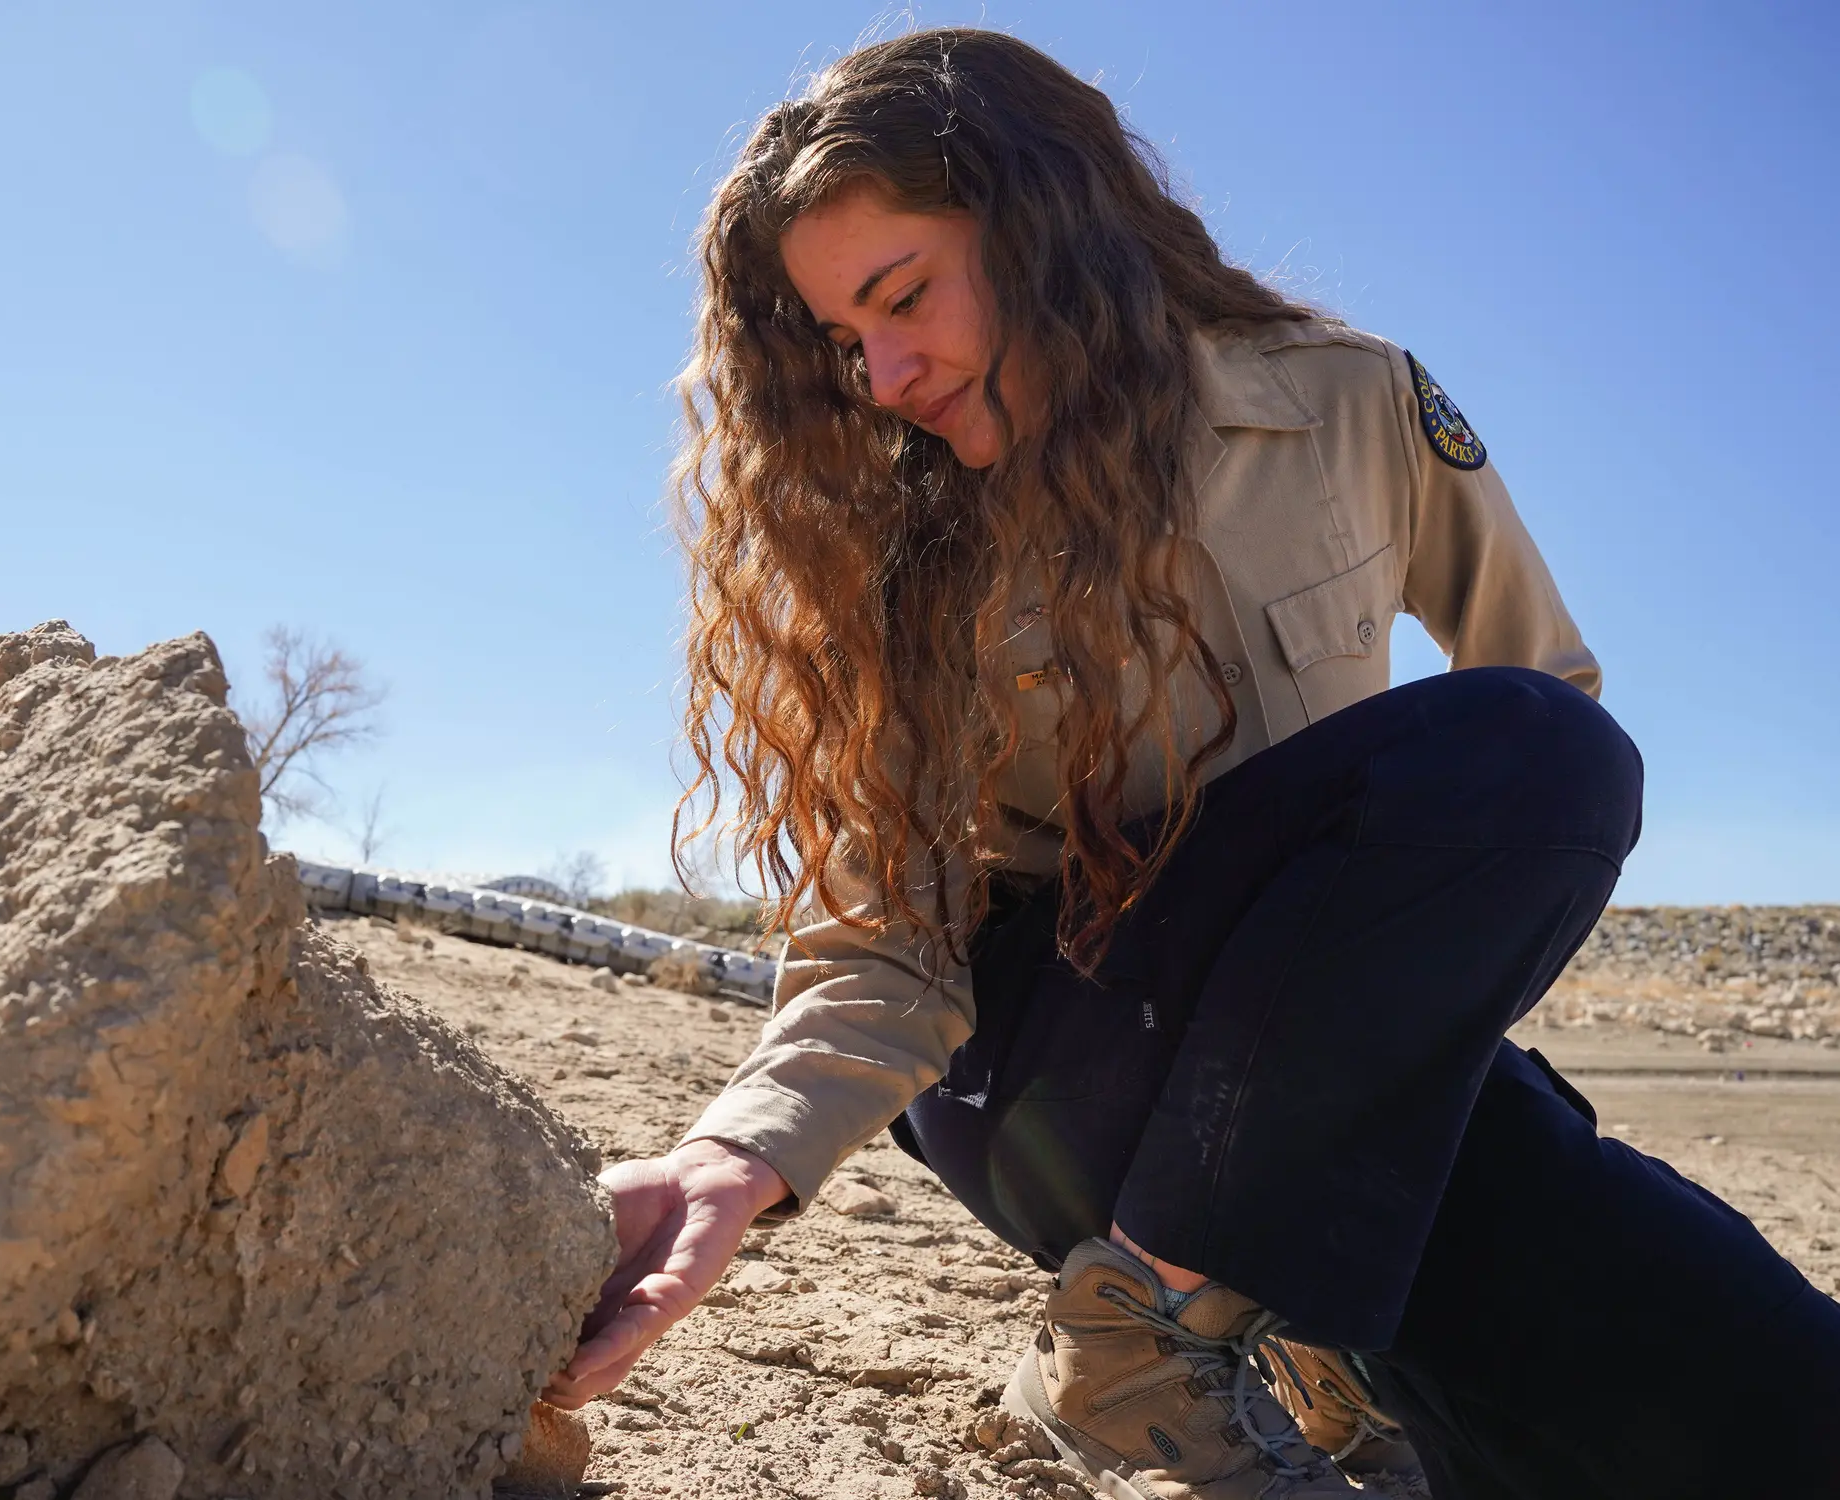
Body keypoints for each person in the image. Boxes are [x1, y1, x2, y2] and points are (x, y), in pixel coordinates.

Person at [545, 28, 1840, 1500]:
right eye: (848, 341)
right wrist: (738, 1154)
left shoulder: (1350, 400)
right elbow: (885, 949)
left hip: (1317, 1089)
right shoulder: (896, 548)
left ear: (1045, 223)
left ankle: (1307, 1344)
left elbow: (1539, 707)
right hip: (1059, 1075)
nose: (884, 373)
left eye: (902, 297)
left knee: (1774, 1400)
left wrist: (1393, 1036)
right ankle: (1144, 1327)